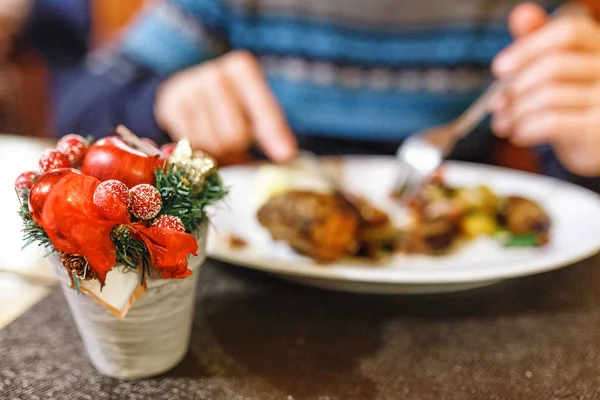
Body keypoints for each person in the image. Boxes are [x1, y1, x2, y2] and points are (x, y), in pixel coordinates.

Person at [27, 0, 600, 189]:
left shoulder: (527, 10)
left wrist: (590, 153)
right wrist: (161, 100)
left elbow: (569, 186)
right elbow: (80, 105)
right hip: (260, 293)